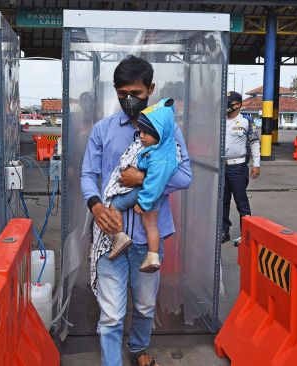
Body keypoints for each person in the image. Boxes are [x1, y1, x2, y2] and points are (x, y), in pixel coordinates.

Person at [81, 55, 192, 366]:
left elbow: (185, 175)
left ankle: (138, 348)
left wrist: (143, 178)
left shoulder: (169, 131)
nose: (129, 100)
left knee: (144, 306)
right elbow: (88, 174)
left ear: (151, 89)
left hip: (147, 239)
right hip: (109, 236)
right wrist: (96, 205)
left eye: (136, 93)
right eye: (122, 94)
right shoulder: (103, 130)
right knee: (111, 315)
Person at [106, 98, 180, 273]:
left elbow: (155, 182)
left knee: (113, 206)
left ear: (160, 133)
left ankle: (119, 237)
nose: (141, 136)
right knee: (151, 225)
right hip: (152, 194)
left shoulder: (161, 157)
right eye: (141, 132)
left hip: (145, 193)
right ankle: (153, 256)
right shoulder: (166, 148)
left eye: (146, 133)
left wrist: (143, 202)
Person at [221, 91, 261, 246]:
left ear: (238, 104)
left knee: (241, 202)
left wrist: (256, 164)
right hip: (222, 167)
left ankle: (247, 234)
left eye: (229, 103)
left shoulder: (246, 121)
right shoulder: (220, 120)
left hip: (238, 167)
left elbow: (254, 143)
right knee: (223, 201)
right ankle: (224, 231)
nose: (225, 106)